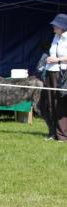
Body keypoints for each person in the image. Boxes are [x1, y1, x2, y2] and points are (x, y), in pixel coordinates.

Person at [42, 13, 67, 142]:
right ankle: (53, 133)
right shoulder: (55, 37)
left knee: (61, 104)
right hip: (51, 72)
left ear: (62, 26)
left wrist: (58, 59)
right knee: (51, 103)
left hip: (62, 73)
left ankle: (62, 135)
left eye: (55, 25)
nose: (53, 27)